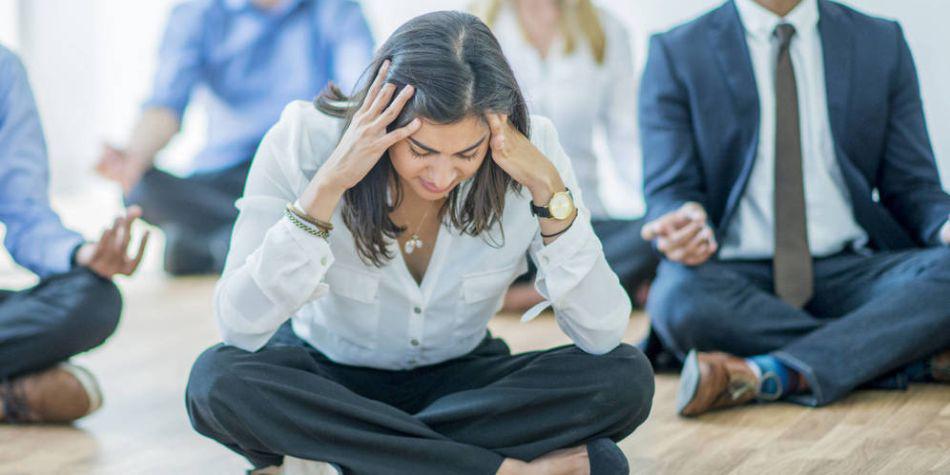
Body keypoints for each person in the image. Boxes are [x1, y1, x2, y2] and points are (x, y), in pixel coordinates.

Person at [185, 11, 654, 474]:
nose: (441, 175)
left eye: (466, 154)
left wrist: (552, 195)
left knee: (625, 376)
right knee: (216, 382)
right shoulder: (304, 139)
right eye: (421, 151)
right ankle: (503, 470)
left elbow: (602, 332)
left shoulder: (534, 149)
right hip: (327, 377)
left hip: (457, 382)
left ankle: (339, 458)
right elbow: (239, 326)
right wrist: (327, 187)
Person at [638, 0, 950, 417]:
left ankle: (769, 370)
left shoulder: (880, 41)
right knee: (678, 298)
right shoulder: (678, 51)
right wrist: (683, 219)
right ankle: (907, 355)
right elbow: (669, 189)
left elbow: (913, 186)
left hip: (852, 270)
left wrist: (945, 224)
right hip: (737, 276)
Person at [95, 0, 374, 275]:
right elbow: (165, 105)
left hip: (300, 168)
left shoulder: (336, 8)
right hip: (224, 176)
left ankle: (213, 247)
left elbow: (357, 96)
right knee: (140, 188)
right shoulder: (196, 12)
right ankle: (250, 241)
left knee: (344, 191)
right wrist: (133, 157)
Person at [474, 0, 659, 312]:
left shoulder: (606, 31)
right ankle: (581, 287)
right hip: (501, 223)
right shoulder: (476, 28)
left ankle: (523, 296)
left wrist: (665, 207)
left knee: (654, 233)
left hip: (580, 216)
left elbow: (627, 141)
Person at [0, 45, 149, 423]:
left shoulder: (4, 70)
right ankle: (14, 396)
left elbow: (27, 215)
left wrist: (80, 254)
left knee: (91, 299)